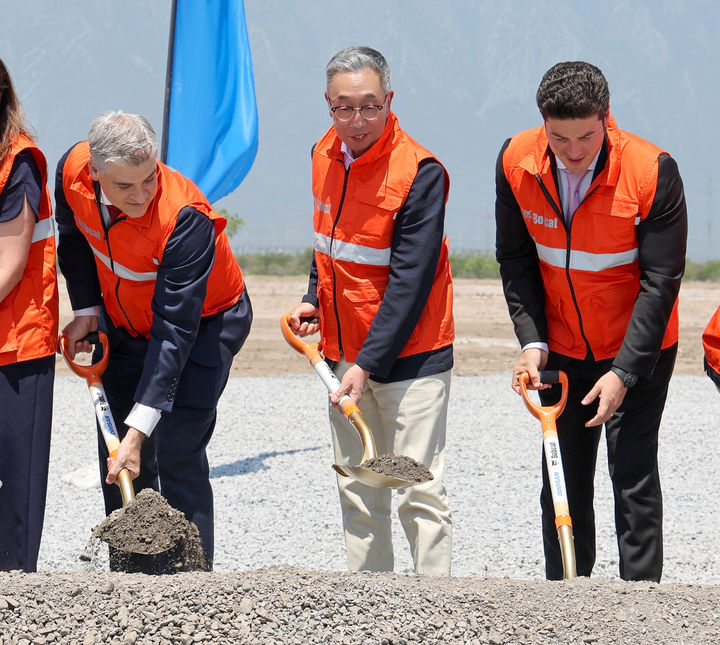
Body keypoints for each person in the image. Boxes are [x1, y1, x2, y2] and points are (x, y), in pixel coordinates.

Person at [495, 61, 687, 582]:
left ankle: (640, 608)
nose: (574, 151)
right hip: (559, 349)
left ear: (607, 118)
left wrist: (624, 371)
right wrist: (532, 342)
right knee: (562, 481)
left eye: (586, 136)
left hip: (638, 351)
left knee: (632, 475)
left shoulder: (651, 171)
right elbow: (515, 259)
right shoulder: (516, 161)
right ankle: (569, 600)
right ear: (543, 124)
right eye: (559, 138)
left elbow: (661, 283)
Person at [55, 111, 252, 572]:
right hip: (123, 319)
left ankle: (190, 581)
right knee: (116, 453)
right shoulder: (70, 171)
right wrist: (86, 311)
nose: (142, 195)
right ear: (95, 171)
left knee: (179, 443)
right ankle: (134, 577)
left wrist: (139, 431)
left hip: (203, 325)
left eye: (149, 179)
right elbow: (73, 237)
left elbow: (174, 334)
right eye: (125, 187)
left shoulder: (185, 219)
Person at [287, 46, 454, 576]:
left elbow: (409, 284)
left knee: (417, 491)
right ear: (327, 105)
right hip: (342, 354)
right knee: (359, 489)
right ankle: (372, 610)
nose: (356, 121)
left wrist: (366, 364)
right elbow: (328, 246)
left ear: (390, 101)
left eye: (369, 106)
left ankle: (439, 616)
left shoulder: (420, 172)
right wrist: (314, 296)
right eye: (343, 108)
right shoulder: (323, 153)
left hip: (411, 359)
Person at [0, 59, 58, 572]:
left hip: (17, 344)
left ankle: (16, 595)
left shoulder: (18, 161)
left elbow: (10, 262)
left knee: (16, 482)